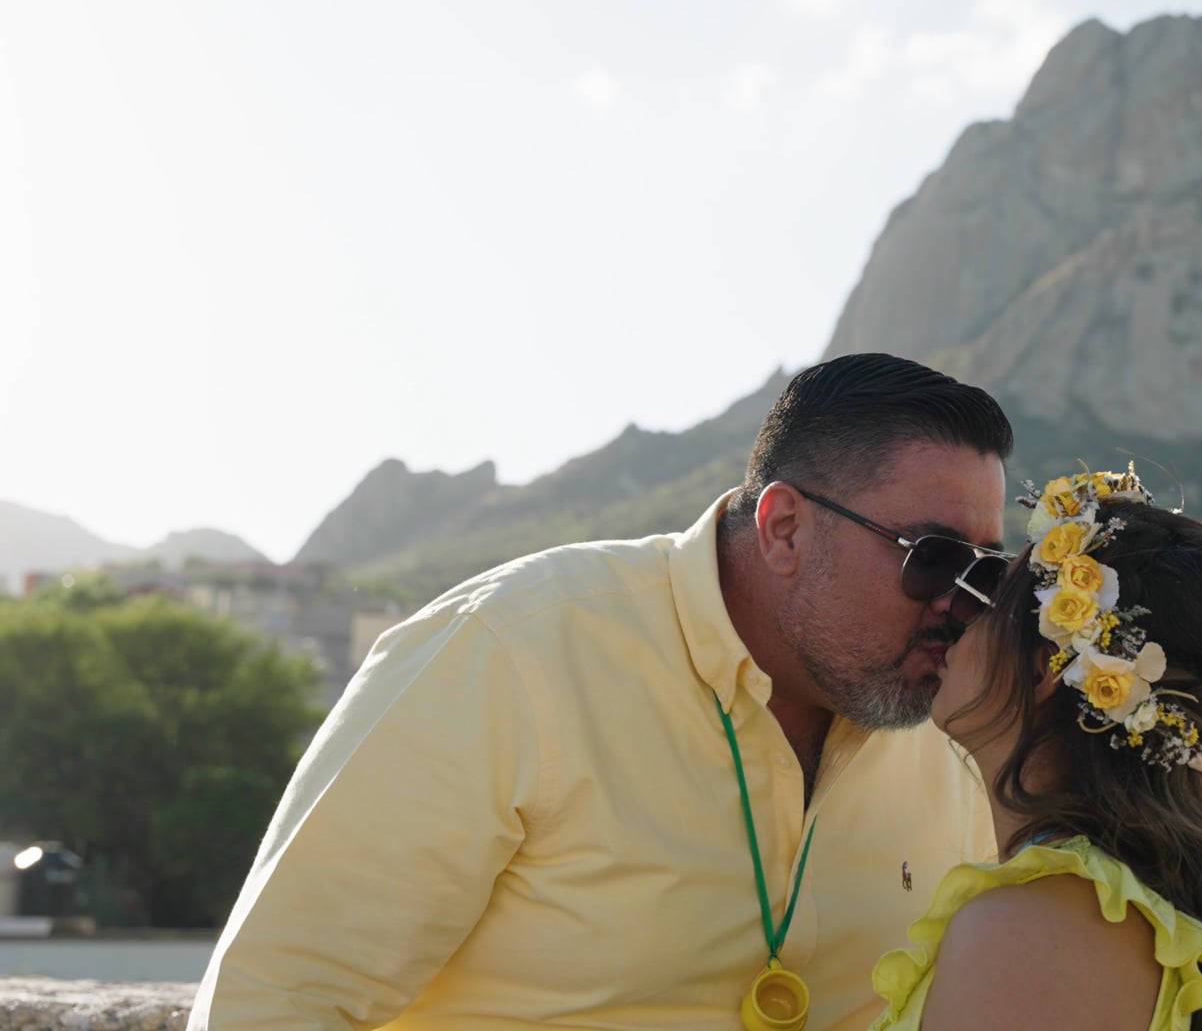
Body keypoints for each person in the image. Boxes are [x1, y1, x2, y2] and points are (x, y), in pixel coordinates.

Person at [192, 353, 1016, 1030]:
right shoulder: (508, 653)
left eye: (988, 573)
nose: (964, 604)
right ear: (785, 528)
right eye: (934, 559)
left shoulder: (958, 728)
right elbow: (278, 1000)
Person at [867, 468, 1202, 1030]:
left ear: (1043, 669)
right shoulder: (1145, 905)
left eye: (992, 601)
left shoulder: (1028, 933)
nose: (959, 618)